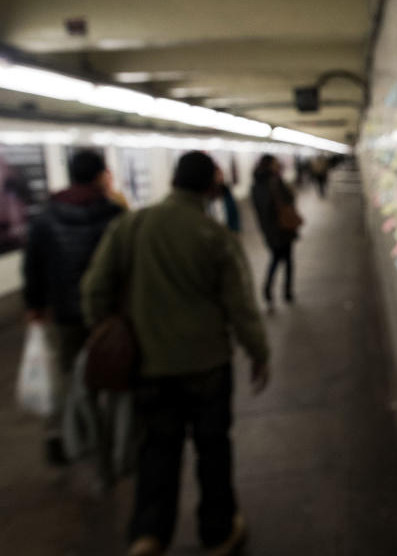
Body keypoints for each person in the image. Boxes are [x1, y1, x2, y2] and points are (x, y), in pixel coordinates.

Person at [82, 151, 270, 556]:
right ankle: (219, 532)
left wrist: (115, 326)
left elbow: (94, 291)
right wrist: (259, 353)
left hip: (148, 366)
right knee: (213, 448)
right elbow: (240, 307)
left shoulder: (130, 225)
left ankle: (148, 534)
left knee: (156, 450)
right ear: (211, 185)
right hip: (207, 365)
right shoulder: (215, 235)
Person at [22, 149, 125, 464]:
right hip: (108, 313)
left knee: (72, 375)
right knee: (116, 372)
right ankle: (113, 441)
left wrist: (35, 306)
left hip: (65, 314)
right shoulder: (114, 215)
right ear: (100, 175)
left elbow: (33, 266)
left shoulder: (46, 218)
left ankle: (76, 436)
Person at [250, 155, 299, 312]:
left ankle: (268, 290)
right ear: (271, 165)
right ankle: (287, 291)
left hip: (268, 230)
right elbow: (289, 199)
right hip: (282, 228)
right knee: (287, 261)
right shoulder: (276, 182)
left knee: (275, 259)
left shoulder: (255, 185)